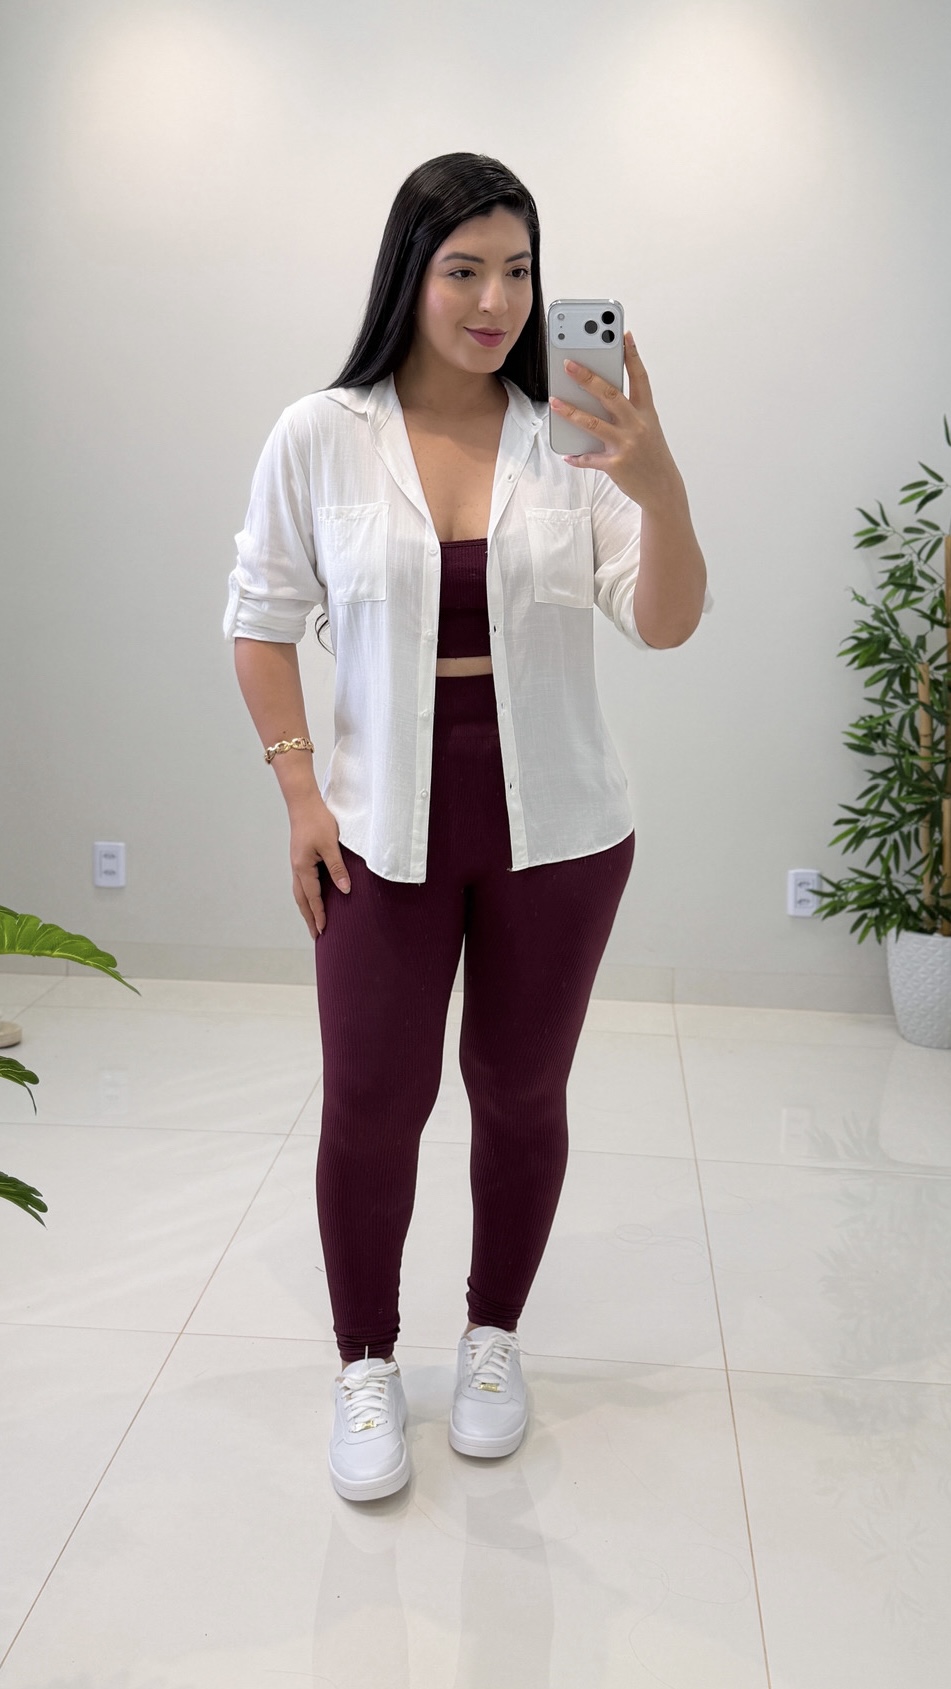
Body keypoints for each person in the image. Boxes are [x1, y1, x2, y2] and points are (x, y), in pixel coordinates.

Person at [224, 152, 712, 1503]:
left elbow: (667, 620)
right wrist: (300, 795)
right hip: (377, 831)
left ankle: (493, 1336)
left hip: (560, 830)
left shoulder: (575, 439)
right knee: (372, 1101)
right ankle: (366, 1359)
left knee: (519, 1090)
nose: (496, 300)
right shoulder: (320, 433)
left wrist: (660, 481)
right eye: (464, 270)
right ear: (410, 275)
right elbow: (259, 621)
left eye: (518, 271)